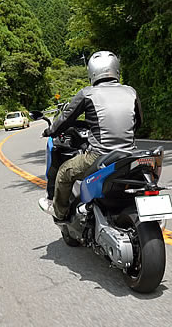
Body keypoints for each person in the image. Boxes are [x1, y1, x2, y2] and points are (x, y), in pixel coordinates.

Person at [38, 51, 143, 221]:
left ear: (92, 72)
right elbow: (138, 122)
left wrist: (50, 131)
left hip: (99, 156)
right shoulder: (131, 92)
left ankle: (60, 212)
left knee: (64, 172)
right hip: (128, 155)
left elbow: (66, 118)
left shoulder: (87, 93)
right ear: (116, 70)